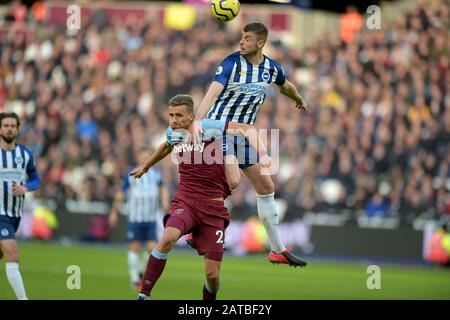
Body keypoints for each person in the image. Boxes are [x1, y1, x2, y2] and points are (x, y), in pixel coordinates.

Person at [131, 94, 272, 300]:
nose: (174, 120)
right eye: (171, 115)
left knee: (212, 275)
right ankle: (144, 295)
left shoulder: (210, 128)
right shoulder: (175, 132)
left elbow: (244, 130)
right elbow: (166, 145)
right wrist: (145, 166)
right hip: (186, 201)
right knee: (167, 238)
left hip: (213, 207)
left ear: (191, 116)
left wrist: (240, 151)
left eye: (179, 115)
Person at [192, 22, 308, 267]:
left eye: (247, 38)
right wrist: (197, 123)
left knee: (266, 185)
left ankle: (277, 249)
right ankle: (196, 228)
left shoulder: (270, 68)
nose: (242, 41)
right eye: (241, 37)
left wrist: (298, 99)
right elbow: (211, 94)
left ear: (261, 43)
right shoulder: (231, 63)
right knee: (232, 181)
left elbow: (286, 87)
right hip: (219, 129)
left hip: (242, 135)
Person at [109, 149, 169, 289]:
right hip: (136, 217)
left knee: (152, 249)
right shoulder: (131, 173)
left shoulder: (155, 174)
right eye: (143, 157)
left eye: (147, 157)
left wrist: (165, 201)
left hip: (150, 218)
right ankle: (135, 278)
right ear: (138, 158)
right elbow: (121, 193)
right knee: (135, 247)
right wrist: (114, 211)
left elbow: (163, 188)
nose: (145, 160)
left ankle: (142, 272)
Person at [0, 112, 41, 300]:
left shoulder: (24, 154)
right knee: (13, 254)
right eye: (6, 125)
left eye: (12, 126)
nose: (9, 129)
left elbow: (36, 180)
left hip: (14, 215)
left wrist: (25, 188)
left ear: (17, 129)